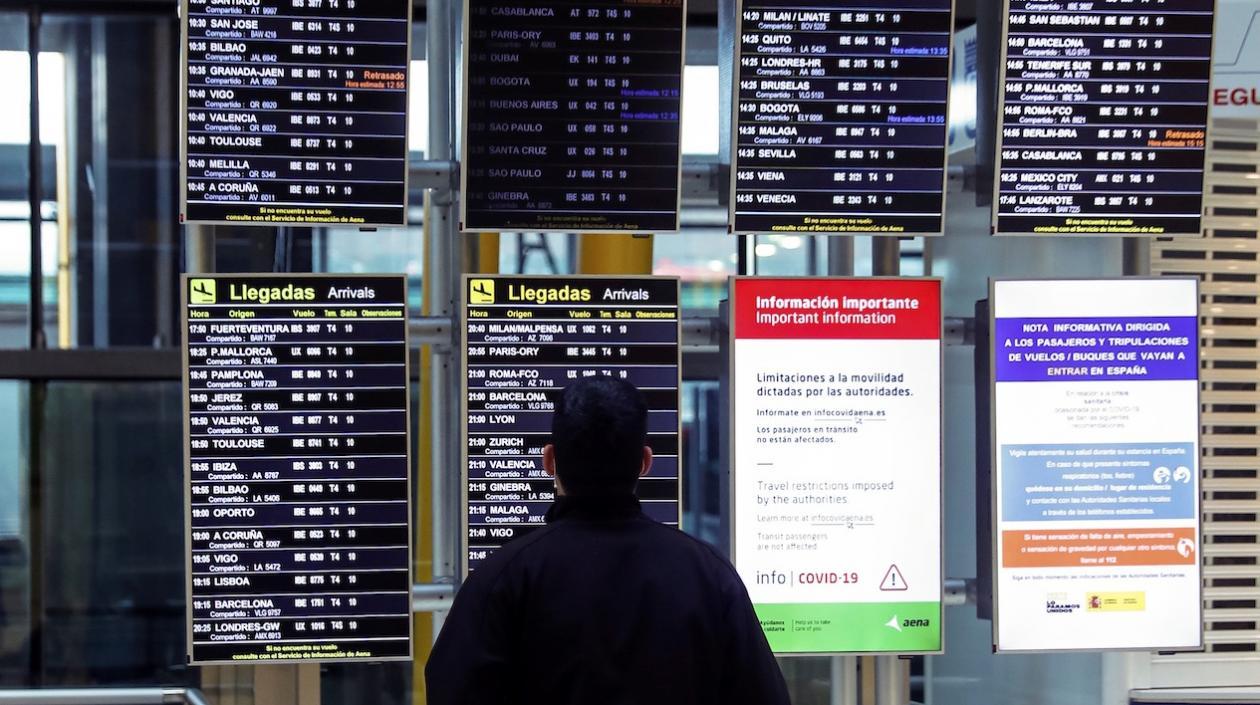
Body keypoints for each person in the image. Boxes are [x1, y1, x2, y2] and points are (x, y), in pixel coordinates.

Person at [426, 377, 790, 705]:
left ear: (550, 460)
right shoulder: (709, 575)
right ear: (645, 462)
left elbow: (451, 689)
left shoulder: (502, 579)